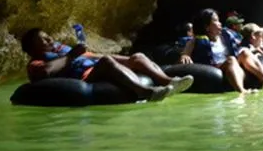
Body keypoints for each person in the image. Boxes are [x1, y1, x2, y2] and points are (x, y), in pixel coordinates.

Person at [20, 28, 193, 102]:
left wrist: (131, 60)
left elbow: (99, 55)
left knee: (138, 56)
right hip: (84, 78)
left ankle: (169, 81)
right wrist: (73, 54)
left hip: (94, 68)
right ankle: (145, 92)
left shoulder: (65, 52)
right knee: (106, 62)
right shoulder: (36, 62)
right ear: (33, 48)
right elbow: (46, 72)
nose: (50, 39)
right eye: (43, 39)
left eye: (48, 36)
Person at [182, 9, 263, 94]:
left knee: (244, 52)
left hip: (231, 65)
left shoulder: (225, 36)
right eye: (216, 21)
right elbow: (185, 54)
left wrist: (253, 50)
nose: (220, 23)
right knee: (231, 59)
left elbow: (240, 46)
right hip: (214, 69)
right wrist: (185, 56)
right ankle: (242, 91)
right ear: (207, 26)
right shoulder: (195, 41)